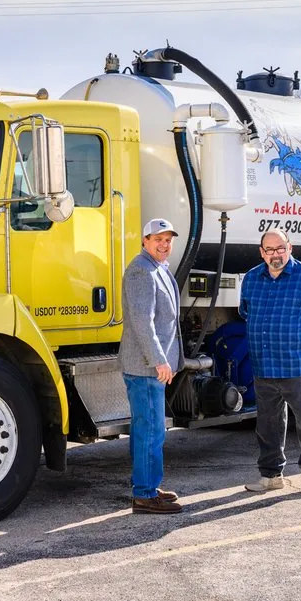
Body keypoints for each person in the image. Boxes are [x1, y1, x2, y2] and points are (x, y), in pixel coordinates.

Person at [239, 230, 301, 496]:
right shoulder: (251, 279)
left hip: (299, 366)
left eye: (280, 248)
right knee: (267, 424)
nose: (275, 255)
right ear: (262, 252)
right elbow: (246, 312)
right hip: (264, 365)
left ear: (289, 248)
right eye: (269, 250)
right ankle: (271, 476)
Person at [119, 218, 184, 514]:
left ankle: (147, 485)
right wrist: (159, 360)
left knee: (147, 428)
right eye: (158, 239)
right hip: (146, 367)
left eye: (168, 239)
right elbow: (142, 322)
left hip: (149, 365)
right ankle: (144, 495)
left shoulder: (158, 268)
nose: (164, 244)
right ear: (145, 240)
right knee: (151, 430)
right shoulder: (141, 271)